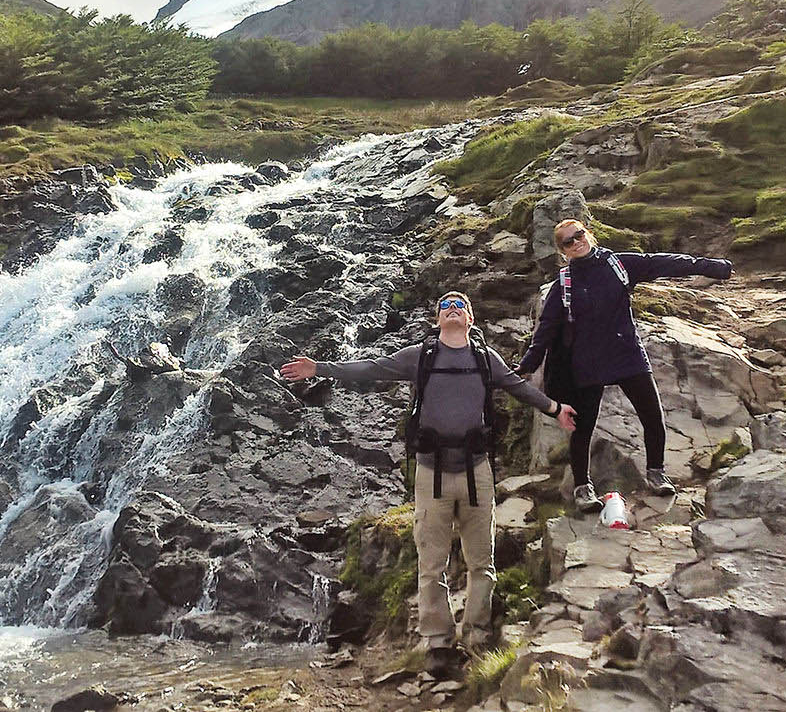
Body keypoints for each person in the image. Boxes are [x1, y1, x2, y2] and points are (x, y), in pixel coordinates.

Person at [280, 291, 573, 667]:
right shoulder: (420, 356)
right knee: (431, 562)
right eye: (445, 306)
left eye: (460, 305)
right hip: (431, 472)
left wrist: (555, 408)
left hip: (477, 472)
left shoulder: (485, 358)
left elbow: (519, 388)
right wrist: (319, 368)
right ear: (437, 320)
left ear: (470, 319)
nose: (452, 309)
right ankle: (437, 641)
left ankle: (476, 634)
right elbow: (371, 368)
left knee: (481, 560)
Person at [517, 219, 733, 512]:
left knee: (652, 415)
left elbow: (665, 263)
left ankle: (656, 473)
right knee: (583, 427)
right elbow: (546, 329)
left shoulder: (618, 264)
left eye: (579, 235)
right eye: (568, 241)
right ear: (562, 251)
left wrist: (713, 267)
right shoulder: (564, 284)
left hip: (626, 353)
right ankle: (583, 488)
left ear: (588, 234)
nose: (576, 242)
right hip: (587, 361)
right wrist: (527, 365)